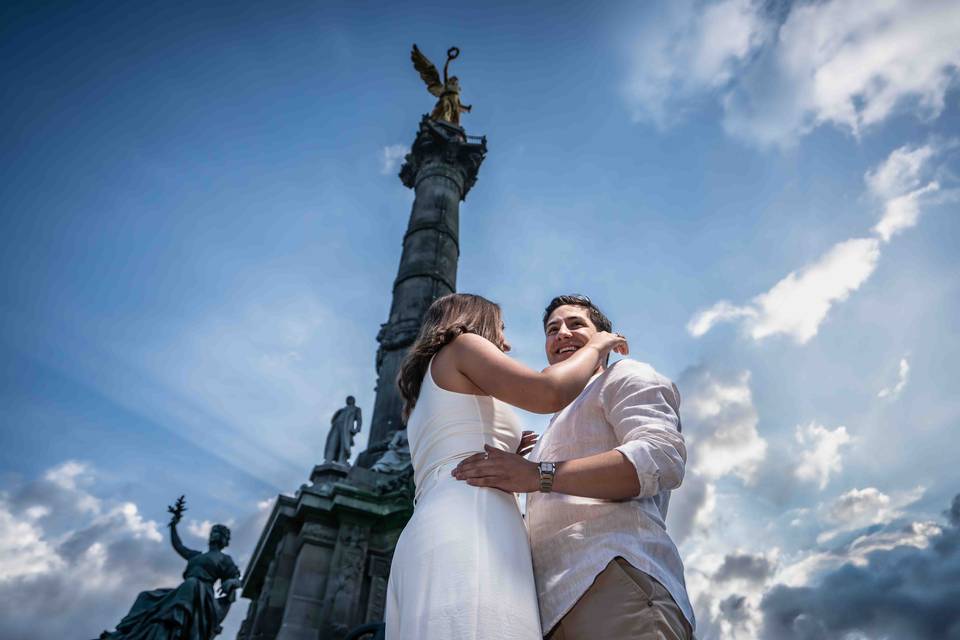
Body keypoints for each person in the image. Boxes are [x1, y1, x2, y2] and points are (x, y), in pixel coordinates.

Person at [383, 293, 627, 640]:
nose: (506, 343)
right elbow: (548, 392)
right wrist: (597, 346)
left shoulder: (422, 392)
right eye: (500, 328)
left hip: (435, 521)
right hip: (473, 520)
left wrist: (508, 448)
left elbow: (454, 445)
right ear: (476, 323)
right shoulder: (463, 345)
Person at [453, 294, 695, 639]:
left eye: (576, 324)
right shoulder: (550, 428)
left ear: (603, 341)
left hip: (614, 575)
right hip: (548, 609)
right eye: (552, 329)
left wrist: (539, 475)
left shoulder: (625, 374)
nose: (562, 333)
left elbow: (660, 457)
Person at [98, 498, 241, 640]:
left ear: (224, 540)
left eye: (218, 533)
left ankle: (174, 626)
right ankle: (126, 630)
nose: (214, 535)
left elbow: (236, 579)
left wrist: (231, 582)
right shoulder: (196, 556)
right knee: (145, 596)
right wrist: (173, 526)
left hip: (200, 593)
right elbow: (178, 546)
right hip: (185, 590)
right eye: (213, 532)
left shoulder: (225, 559)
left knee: (190, 584)